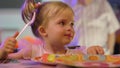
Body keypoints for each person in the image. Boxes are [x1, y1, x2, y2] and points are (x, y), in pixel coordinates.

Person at [0, 0, 85, 60]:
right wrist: (3, 51)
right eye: (62, 23)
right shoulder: (32, 51)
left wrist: (93, 50)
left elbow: (90, 56)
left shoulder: (76, 54)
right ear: (43, 31)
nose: (70, 28)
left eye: (72, 24)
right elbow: (5, 58)